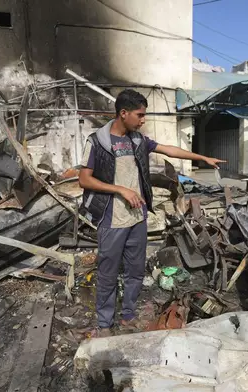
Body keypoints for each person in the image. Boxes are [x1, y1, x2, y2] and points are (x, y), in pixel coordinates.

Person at [79, 89, 225, 337]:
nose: (143, 120)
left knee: (135, 270)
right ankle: (105, 323)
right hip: (112, 218)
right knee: (108, 272)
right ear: (123, 113)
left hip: (138, 218)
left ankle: (127, 314)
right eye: (140, 115)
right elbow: (84, 179)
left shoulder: (138, 141)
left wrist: (202, 157)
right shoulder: (97, 142)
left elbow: (169, 150)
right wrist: (120, 190)